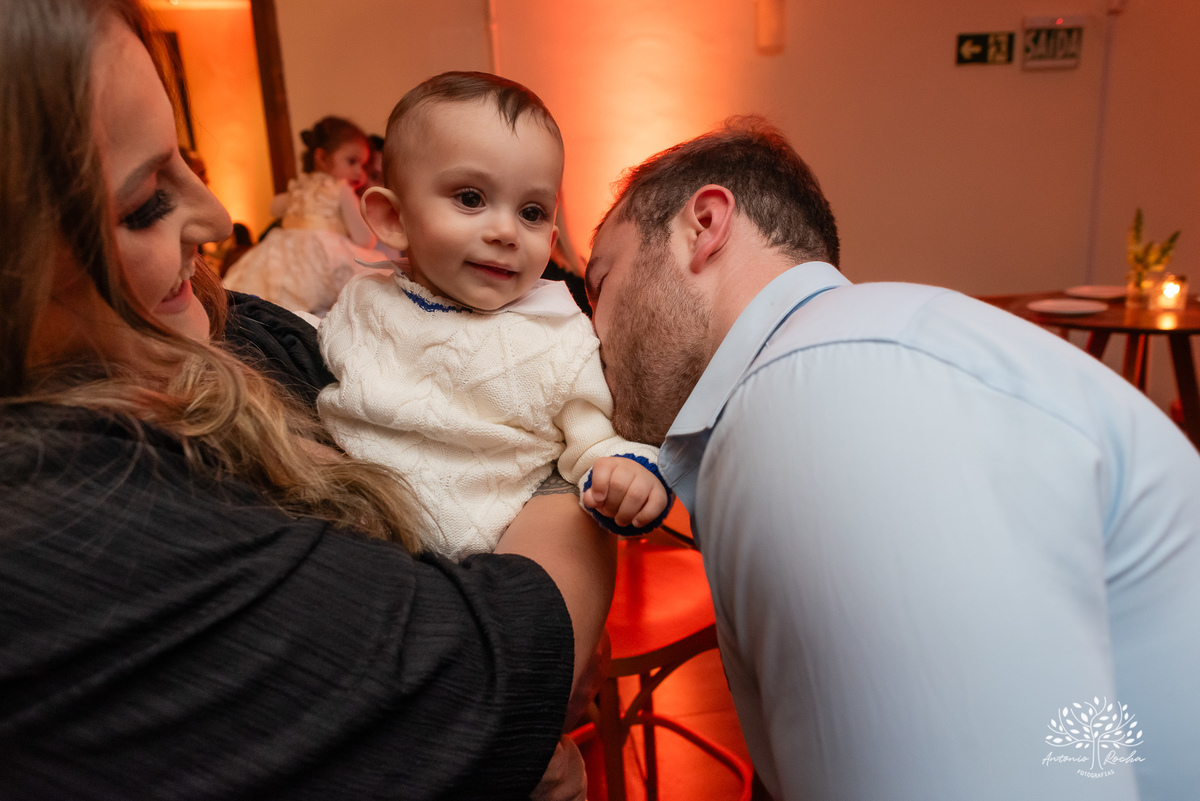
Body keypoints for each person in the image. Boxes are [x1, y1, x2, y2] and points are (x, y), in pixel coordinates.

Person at [0, 1, 611, 798]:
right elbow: (473, 669)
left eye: (184, 161)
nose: (217, 216)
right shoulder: (62, 518)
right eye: (145, 202)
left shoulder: (214, 324)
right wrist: (567, 488)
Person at [585, 117, 1200, 800]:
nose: (590, 335)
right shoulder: (840, 361)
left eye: (599, 284)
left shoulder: (818, 394)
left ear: (703, 224)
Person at [317, 72, 671, 561]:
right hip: (339, 537)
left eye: (531, 212)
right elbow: (314, 367)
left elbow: (592, 443)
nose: (506, 231)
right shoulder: (363, 301)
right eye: (470, 198)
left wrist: (625, 476)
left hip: (472, 568)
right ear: (393, 220)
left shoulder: (557, 338)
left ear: (550, 239)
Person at [223, 116, 387, 317]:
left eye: (362, 165)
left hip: (285, 247)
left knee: (275, 285)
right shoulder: (341, 190)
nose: (359, 173)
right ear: (322, 158)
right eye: (352, 162)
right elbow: (364, 238)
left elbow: (276, 206)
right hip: (321, 251)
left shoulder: (300, 186)